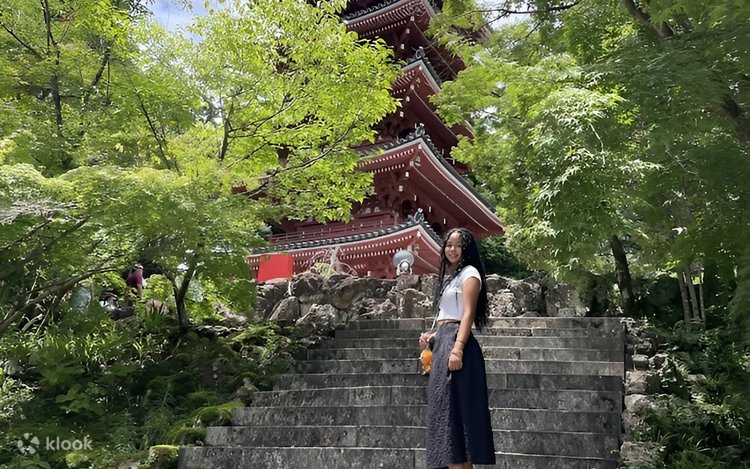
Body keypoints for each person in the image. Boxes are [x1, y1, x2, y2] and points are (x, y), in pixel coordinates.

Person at [420, 228, 496, 468]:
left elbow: (467, 314)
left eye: (458, 245)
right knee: (446, 418)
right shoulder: (449, 277)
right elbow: (447, 316)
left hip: (457, 345)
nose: (452, 249)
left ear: (466, 249)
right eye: (449, 245)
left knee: (458, 419)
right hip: (443, 342)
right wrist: (434, 336)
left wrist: (458, 348)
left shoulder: (470, 274)